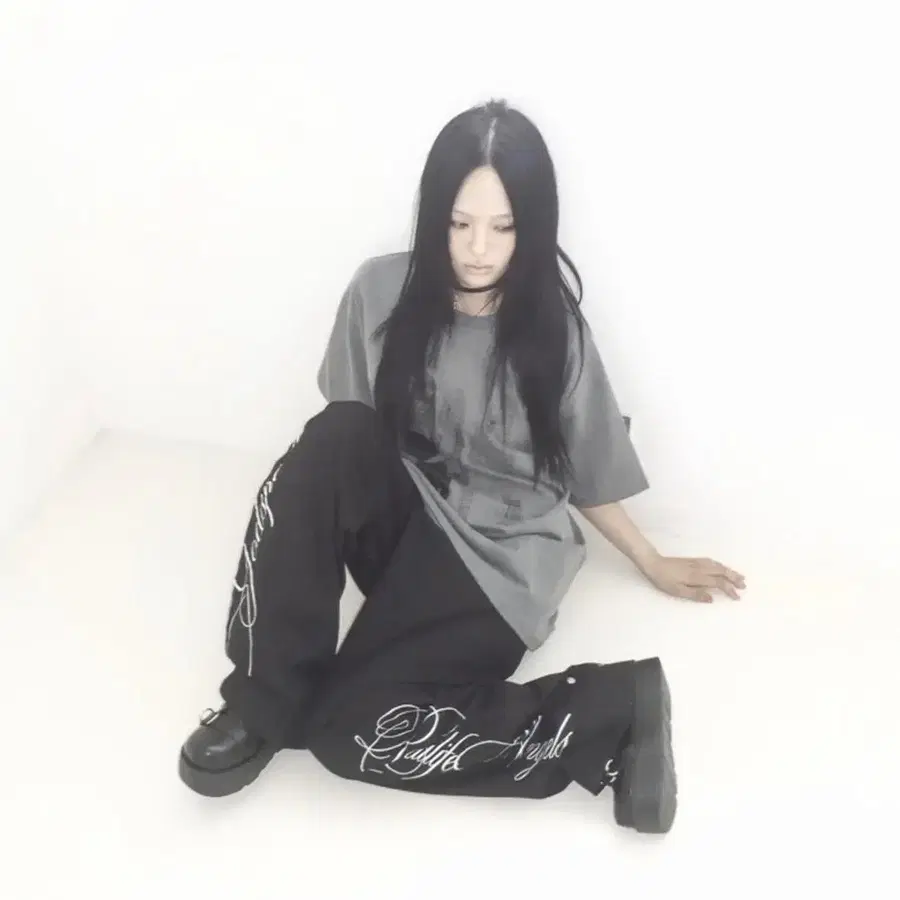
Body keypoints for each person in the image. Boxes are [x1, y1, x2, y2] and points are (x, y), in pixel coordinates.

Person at [177, 99, 745, 834]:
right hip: (414, 523)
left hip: (500, 563)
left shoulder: (555, 334)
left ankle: (611, 712)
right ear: (433, 217)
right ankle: (262, 701)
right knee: (335, 431)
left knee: (349, 731)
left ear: (532, 227)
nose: (479, 249)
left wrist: (650, 558)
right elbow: (346, 447)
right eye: (459, 223)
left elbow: (590, 466)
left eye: (503, 227)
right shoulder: (377, 291)